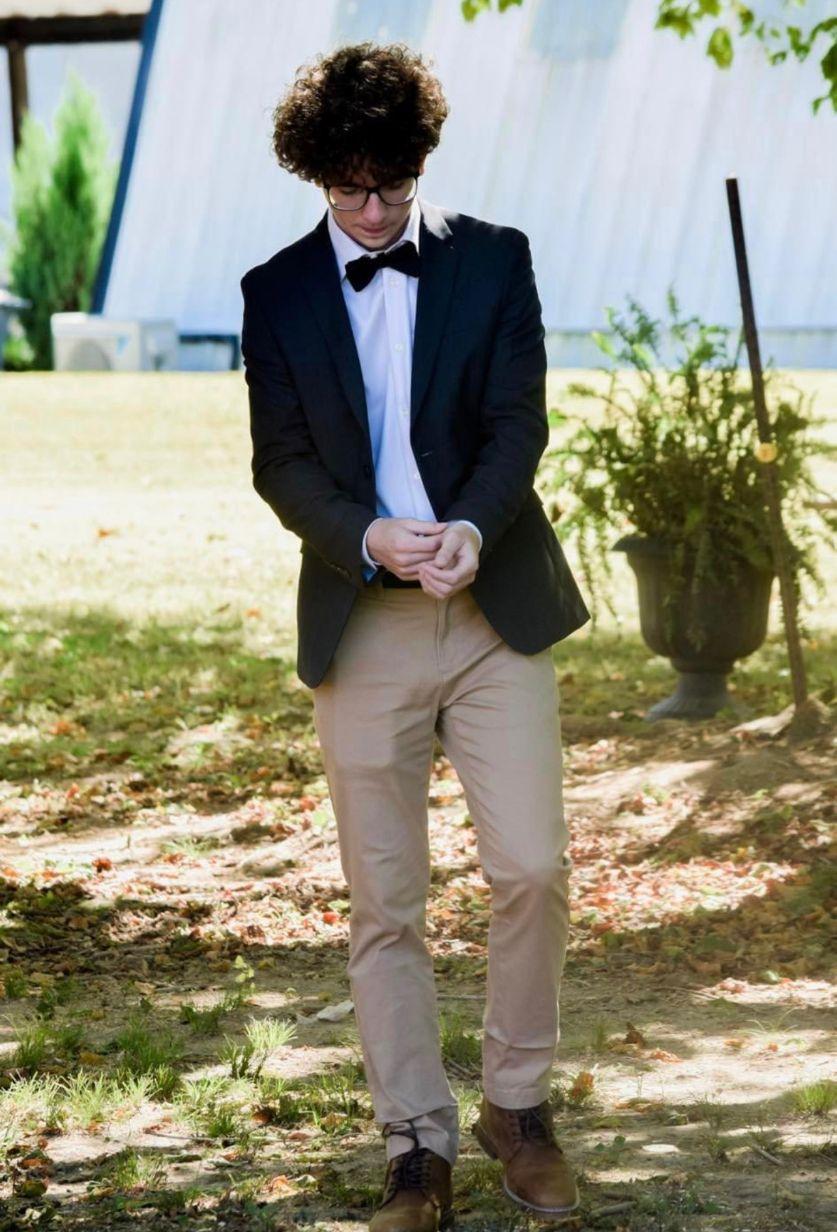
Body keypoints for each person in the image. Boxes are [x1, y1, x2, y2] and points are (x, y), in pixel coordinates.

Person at [240, 40, 590, 1232]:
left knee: (533, 867)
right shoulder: (275, 292)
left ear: (420, 162)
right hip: (366, 617)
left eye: (392, 184)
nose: (375, 210)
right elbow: (279, 463)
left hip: (495, 611)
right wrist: (371, 537)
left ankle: (517, 1102)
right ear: (317, 176)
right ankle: (415, 1145)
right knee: (386, 899)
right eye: (351, 189)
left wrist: (474, 529)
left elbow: (517, 422)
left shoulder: (496, 263)